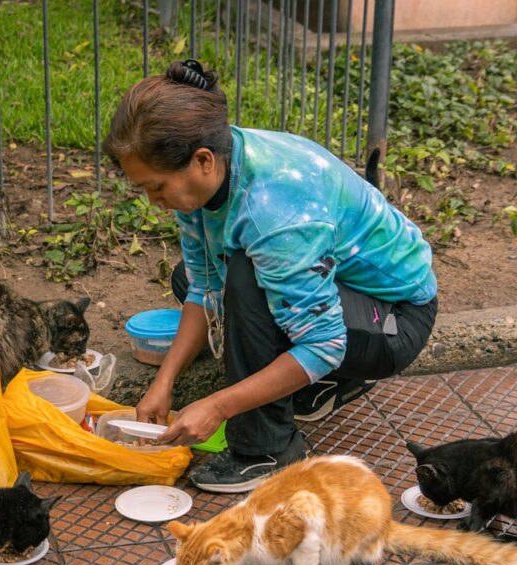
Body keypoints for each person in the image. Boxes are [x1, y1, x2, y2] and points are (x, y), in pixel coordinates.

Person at [104, 60, 437, 494]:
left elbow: (324, 343)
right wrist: (161, 383)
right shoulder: (211, 171)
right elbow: (205, 286)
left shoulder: (274, 212)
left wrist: (217, 406)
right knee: (193, 277)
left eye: (157, 187)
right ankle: (323, 385)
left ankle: (267, 450)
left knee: (244, 278)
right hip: (341, 292)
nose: (153, 201)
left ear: (202, 161)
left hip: (394, 321)